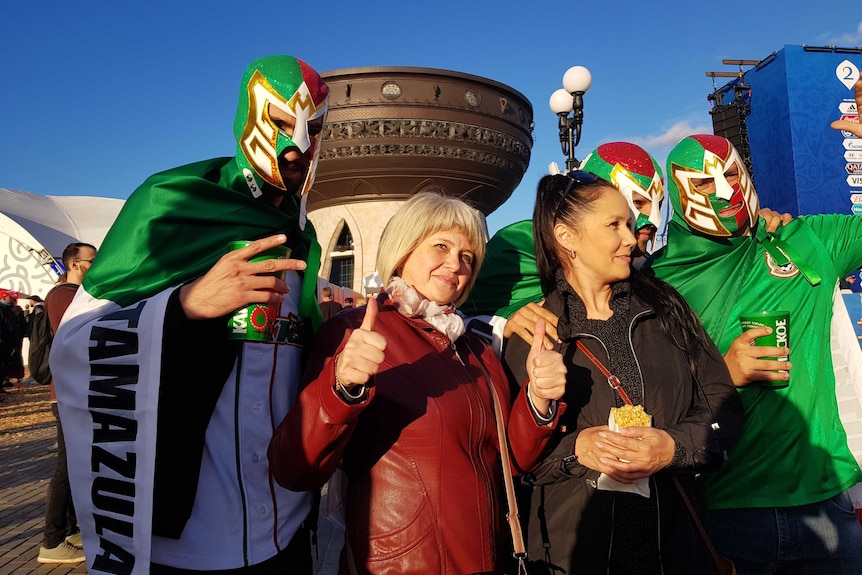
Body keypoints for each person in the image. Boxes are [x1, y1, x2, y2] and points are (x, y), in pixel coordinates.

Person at [49, 55, 330, 575]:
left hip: (286, 526)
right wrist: (185, 306)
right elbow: (74, 343)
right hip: (189, 536)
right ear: (250, 115)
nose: (300, 147)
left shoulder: (303, 240)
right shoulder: (173, 206)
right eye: (284, 124)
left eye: (314, 128)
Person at [268, 191, 568, 574]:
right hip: (401, 565)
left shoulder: (476, 349)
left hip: (485, 562)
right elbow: (295, 468)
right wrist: (341, 385)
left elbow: (512, 461)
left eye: (467, 257)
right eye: (440, 246)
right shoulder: (354, 332)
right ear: (404, 250)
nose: (455, 265)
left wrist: (538, 400)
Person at [500, 171, 743, 573]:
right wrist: (576, 450)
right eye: (614, 225)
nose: (632, 238)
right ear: (566, 237)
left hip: (677, 549)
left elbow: (722, 402)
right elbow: (512, 459)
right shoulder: (533, 331)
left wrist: (673, 447)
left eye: (629, 224)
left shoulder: (665, 308)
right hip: (574, 556)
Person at [647, 132, 862, 573]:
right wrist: (720, 373)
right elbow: (639, 393)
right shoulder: (654, 282)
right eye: (704, 184)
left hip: (822, 502)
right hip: (720, 508)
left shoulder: (805, 241)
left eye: (730, 174)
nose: (725, 191)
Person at [37, 242, 97, 564]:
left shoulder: (75, 295)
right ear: (74, 264)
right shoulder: (63, 296)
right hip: (68, 393)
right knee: (66, 466)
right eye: (92, 260)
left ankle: (71, 529)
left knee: (75, 464)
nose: (96, 265)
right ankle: (51, 541)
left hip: (77, 390)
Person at [25, 295, 52, 386]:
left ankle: (39, 376)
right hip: (39, 337)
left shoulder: (39, 309)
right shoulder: (41, 308)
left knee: (38, 357)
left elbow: (37, 325)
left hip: (38, 338)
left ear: (33, 301)